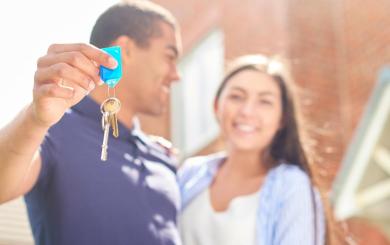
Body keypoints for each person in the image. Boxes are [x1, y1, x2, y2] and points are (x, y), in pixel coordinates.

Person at [0, 1, 182, 245]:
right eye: (169, 57)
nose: (176, 74)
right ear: (125, 50)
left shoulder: (163, 156)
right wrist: (34, 119)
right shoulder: (51, 130)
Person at [178, 54, 326, 245]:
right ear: (216, 106)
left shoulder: (291, 186)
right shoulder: (190, 174)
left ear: (282, 118)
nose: (247, 111)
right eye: (236, 97)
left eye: (265, 102)